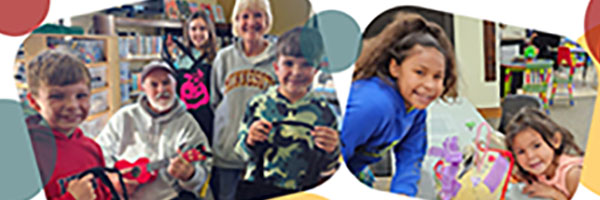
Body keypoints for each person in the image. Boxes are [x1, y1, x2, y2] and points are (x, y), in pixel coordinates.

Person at [340, 12, 458, 196]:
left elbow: (411, 155)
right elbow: (329, 159)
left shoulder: (415, 107)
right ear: (395, 67)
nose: (429, 84)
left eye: (437, 76)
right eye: (419, 72)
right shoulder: (373, 106)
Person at [233, 27, 340, 200]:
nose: (296, 72)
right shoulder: (258, 104)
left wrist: (332, 149)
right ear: (276, 67)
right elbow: (242, 152)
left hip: (303, 192)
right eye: (289, 64)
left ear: (316, 69)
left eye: (306, 64)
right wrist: (250, 140)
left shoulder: (324, 112)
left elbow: (329, 165)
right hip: (259, 188)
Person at [95, 61, 212, 200]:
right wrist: (112, 180)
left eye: (166, 82)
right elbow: (99, 154)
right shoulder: (124, 117)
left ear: (175, 85)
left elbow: (203, 175)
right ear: (143, 87)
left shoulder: (188, 124)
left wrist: (191, 175)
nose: (161, 90)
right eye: (154, 85)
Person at [209, 0, 277, 199]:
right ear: (236, 22)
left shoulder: (279, 59)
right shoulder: (223, 58)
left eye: (258, 15)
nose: (251, 22)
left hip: (263, 156)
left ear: (267, 20)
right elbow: (215, 102)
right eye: (244, 16)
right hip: (227, 155)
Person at [25, 50, 113, 199]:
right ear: (34, 102)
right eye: (57, 96)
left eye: (81, 96)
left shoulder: (92, 148)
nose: (72, 105)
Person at [505, 107, 584, 200]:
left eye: (537, 146)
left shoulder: (574, 175)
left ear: (555, 140)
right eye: (521, 152)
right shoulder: (533, 171)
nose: (530, 156)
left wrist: (555, 194)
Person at [173, 11, 219, 145]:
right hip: (185, 119)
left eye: (202, 28)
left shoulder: (217, 59)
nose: (198, 33)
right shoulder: (180, 60)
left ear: (209, 31)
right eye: (193, 29)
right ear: (187, 32)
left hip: (209, 120)